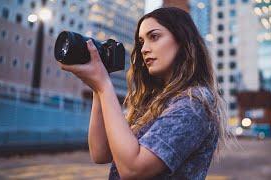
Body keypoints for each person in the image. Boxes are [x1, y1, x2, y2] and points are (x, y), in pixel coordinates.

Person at [58, 7, 229, 180]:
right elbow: (101, 153)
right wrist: (97, 88)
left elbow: (133, 169)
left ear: (182, 40)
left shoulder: (194, 103)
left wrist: (104, 86)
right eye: (141, 42)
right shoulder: (155, 101)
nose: (144, 49)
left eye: (154, 37)